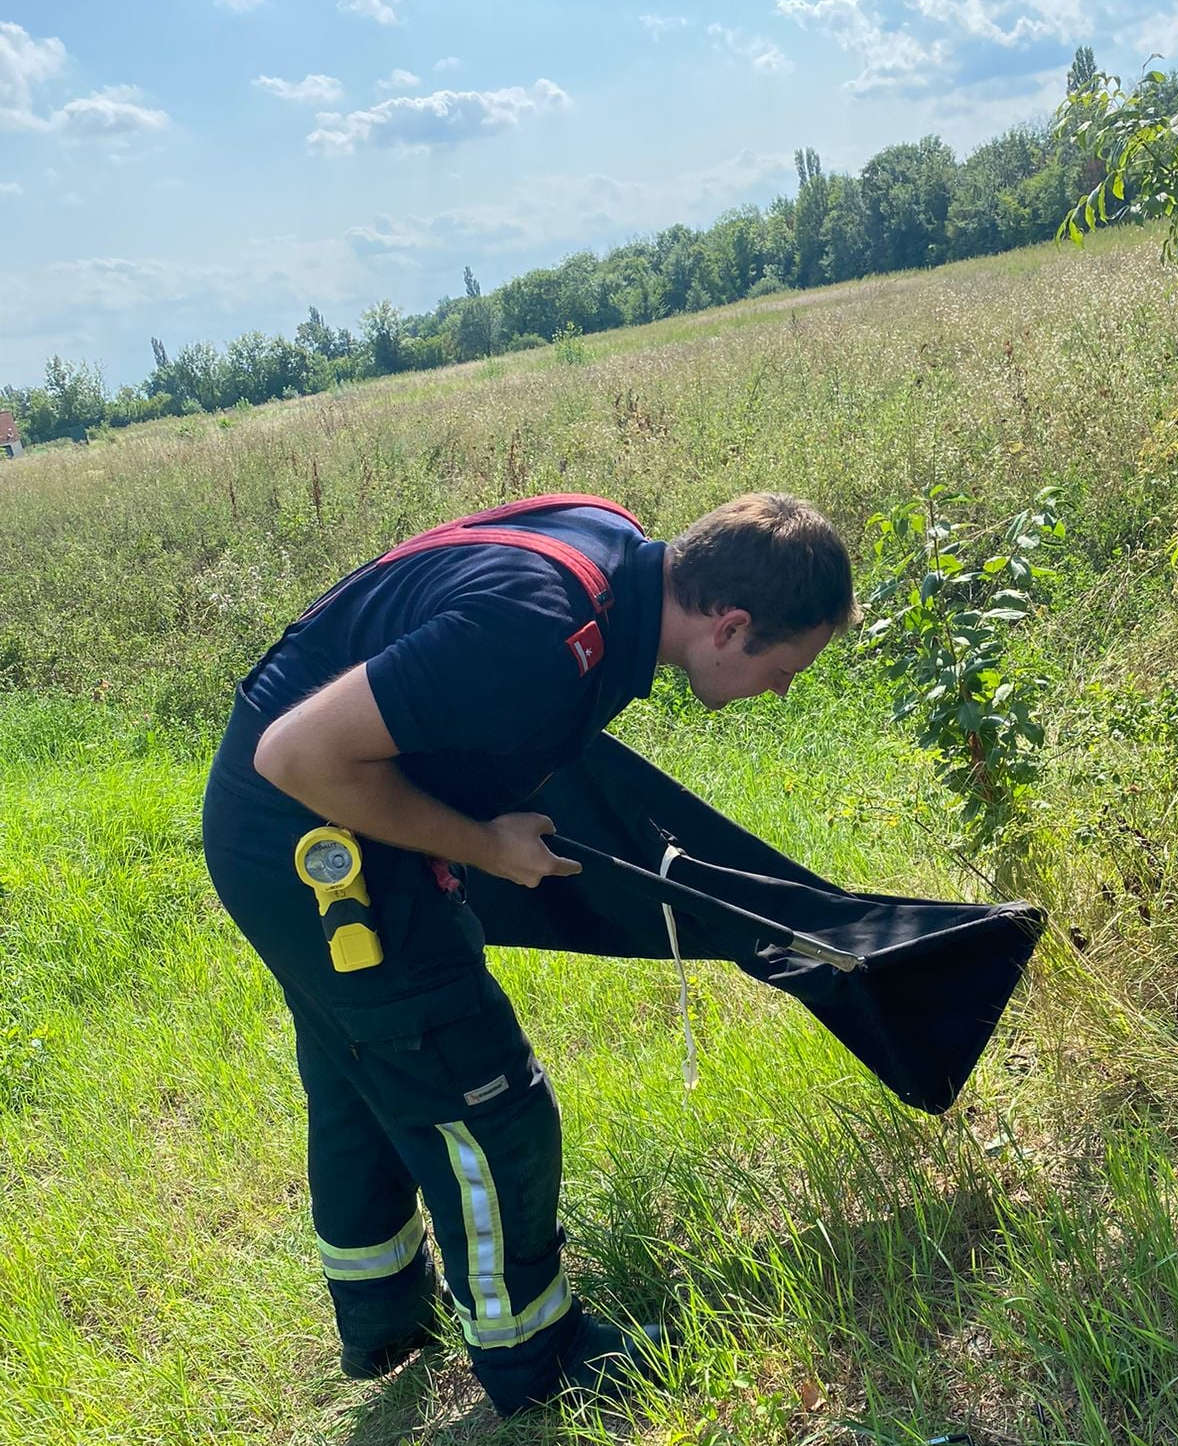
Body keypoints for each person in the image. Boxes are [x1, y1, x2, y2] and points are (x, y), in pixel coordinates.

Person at [200, 492, 855, 1414]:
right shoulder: (535, 634)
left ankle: (384, 1317)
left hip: (285, 823)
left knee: (364, 1066)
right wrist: (481, 844)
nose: (780, 691)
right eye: (784, 669)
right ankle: (536, 1356)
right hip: (314, 841)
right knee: (485, 1097)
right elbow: (297, 755)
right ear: (730, 624)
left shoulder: (609, 545)